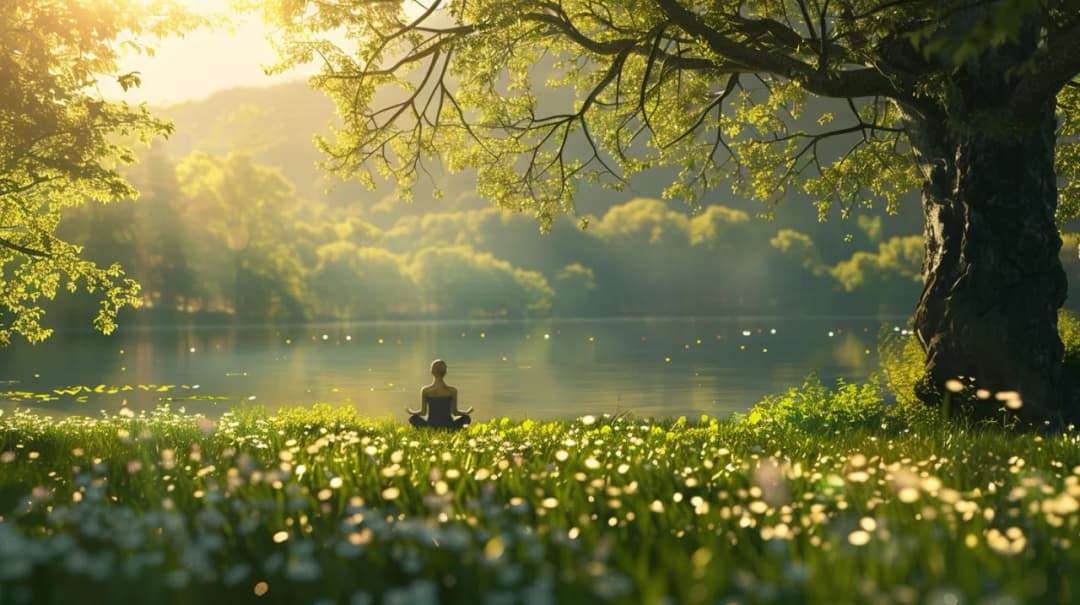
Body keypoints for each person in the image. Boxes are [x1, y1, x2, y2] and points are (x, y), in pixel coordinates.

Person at [407, 359, 473, 429]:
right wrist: (466, 412)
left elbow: (423, 412)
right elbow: (455, 412)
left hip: (431, 425)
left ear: (431, 371)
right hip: (449, 426)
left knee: (412, 418)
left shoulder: (425, 390)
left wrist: (412, 412)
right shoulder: (452, 391)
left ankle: (429, 429)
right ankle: (452, 430)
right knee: (467, 418)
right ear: (445, 372)